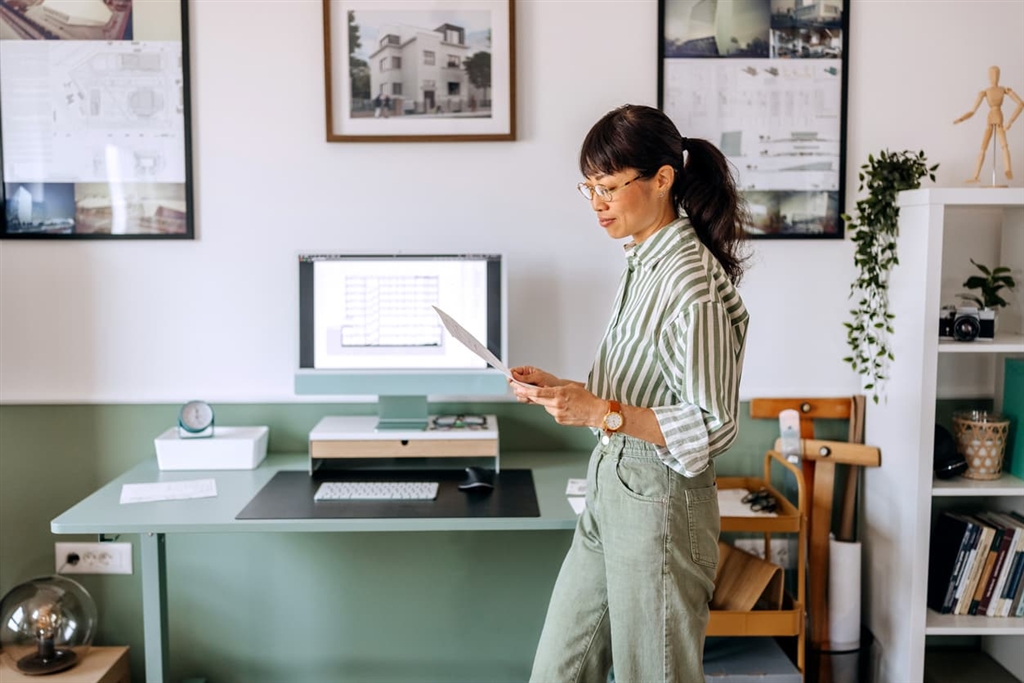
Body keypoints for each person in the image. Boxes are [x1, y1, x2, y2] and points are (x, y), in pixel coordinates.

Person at [510, 103, 750, 683]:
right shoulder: (642, 261)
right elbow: (645, 385)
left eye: (610, 186)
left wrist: (602, 412)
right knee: (558, 672)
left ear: (662, 179)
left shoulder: (686, 278)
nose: (597, 202)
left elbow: (713, 425)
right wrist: (569, 391)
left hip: (660, 495)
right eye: (588, 187)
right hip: (612, 481)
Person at [954, 65, 1023, 182]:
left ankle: (1008, 169)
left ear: (999, 75)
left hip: (999, 117)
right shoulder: (985, 92)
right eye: (992, 74)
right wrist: (961, 119)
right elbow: (972, 111)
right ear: (988, 76)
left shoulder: (1004, 90)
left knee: (1004, 145)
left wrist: (1010, 121)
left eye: (997, 74)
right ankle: (976, 176)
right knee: (983, 148)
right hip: (990, 119)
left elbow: (1021, 103)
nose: (994, 76)